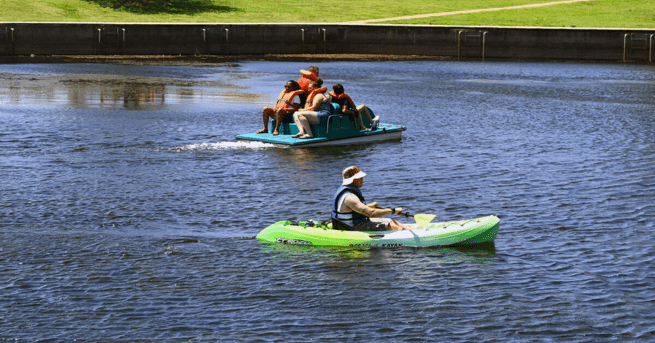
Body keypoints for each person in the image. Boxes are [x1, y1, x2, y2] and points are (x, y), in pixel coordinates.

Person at [332, 166, 411, 231]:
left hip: (354, 222)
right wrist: (393, 210)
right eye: (360, 177)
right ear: (354, 180)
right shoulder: (350, 197)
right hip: (351, 227)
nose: (362, 179)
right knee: (392, 226)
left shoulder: (346, 191)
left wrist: (370, 205)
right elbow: (371, 214)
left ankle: (412, 229)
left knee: (391, 221)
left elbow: (354, 209)